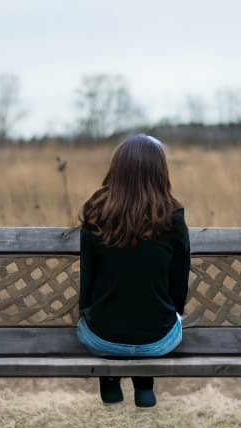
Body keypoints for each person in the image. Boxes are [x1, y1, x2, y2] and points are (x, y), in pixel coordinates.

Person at [76, 133, 191, 407]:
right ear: (159, 172)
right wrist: (172, 314)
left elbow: (87, 282)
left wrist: (88, 316)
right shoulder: (172, 217)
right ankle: (143, 382)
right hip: (158, 339)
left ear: (116, 170)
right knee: (155, 317)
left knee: (105, 319)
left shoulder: (95, 215)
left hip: (101, 337)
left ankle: (111, 377)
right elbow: (179, 280)